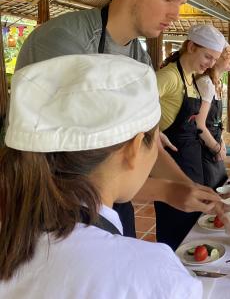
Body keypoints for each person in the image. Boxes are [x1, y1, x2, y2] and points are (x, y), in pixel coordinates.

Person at [14, 0, 221, 237]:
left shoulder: (139, 59)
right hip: (55, 218)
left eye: (180, 2)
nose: (175, 13)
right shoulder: (64, 42)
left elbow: (148, 140)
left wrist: (188, 188)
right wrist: (164, 190)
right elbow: (63, 168)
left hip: (112, 206)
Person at [0, 54, 202, 298]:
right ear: (135, 148)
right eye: (156, 142)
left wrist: (168, 190)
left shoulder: (13, 235)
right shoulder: (150, 277)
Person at [155, 24, 226, 248]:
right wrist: (153, 131)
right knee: (175, 227)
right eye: (208, 56)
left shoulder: (191, 78)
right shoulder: (169, 76)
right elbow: (135, 107)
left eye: (214, 59)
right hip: (172, 162)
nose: (210, 64)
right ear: (191, 46)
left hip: (192, 159)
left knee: (192, 227)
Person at [195, 43, 230, 189]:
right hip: (204, 147)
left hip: (213, 143)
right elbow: (199, 124)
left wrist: (221, 143)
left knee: (220, 187)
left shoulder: (215, 83)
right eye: (228, 55)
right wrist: (216, 147)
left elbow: (215, 122)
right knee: (212, 191)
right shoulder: (206, 83)